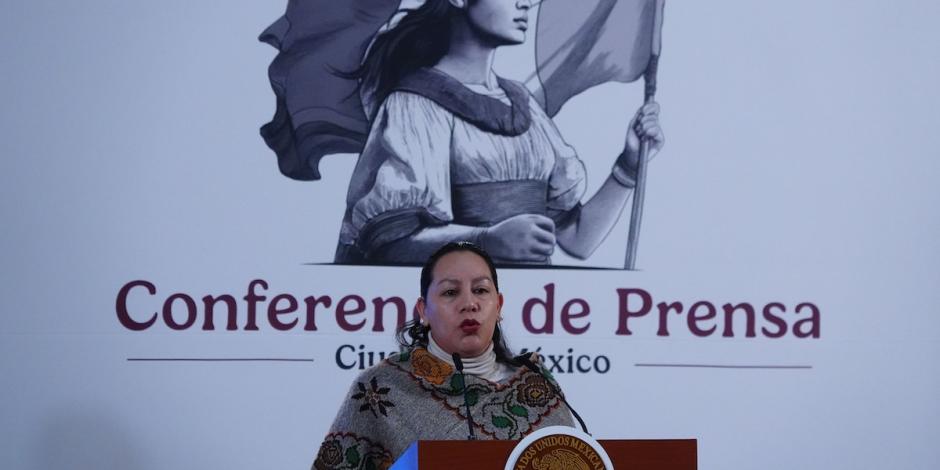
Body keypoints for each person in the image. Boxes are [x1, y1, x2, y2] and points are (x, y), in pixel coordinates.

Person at [334, 0, 665, 265]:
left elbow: (577, 240)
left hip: (536, 314)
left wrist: (630, 165)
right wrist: (486, 241)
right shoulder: (415, 104)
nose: (527, 4)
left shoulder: (526, 106)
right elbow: (390, 246)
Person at [312, 242, 575, 469]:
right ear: (423, 310)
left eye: (481, 290)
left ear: (499, 305)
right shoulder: (382, 389)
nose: (470, 303)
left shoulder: (536, 383)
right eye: (451, 292)